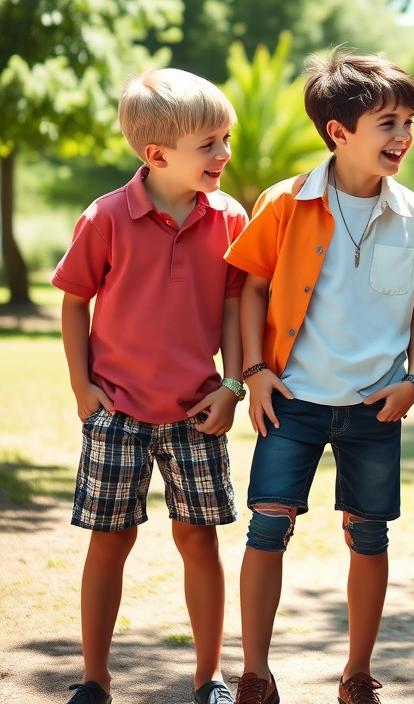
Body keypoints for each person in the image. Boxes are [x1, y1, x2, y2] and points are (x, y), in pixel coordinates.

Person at [225, 49, 414, 704]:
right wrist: (254, 371)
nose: (403, 136)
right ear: (338, 131)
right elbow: (251, 289)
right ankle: (256, 674)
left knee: (369, 535)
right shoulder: (284, 203)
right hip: (291, 400)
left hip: (374, 407)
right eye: (388, 123)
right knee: (267, 527)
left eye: (408, 123)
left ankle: (357, 674)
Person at [53, 68, 247, 704]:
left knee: (199, 540)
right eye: (209, 144)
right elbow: (75, 302)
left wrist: (232, 385)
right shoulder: (106, 216)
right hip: (117, 412)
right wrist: (82, 388)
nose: (224, 153)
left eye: (225, 138)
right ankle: (94, 679)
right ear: (157, 155)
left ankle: (209, 677)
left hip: (198, 411)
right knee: (110, 541)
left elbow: (234, 307)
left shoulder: (230, 218)